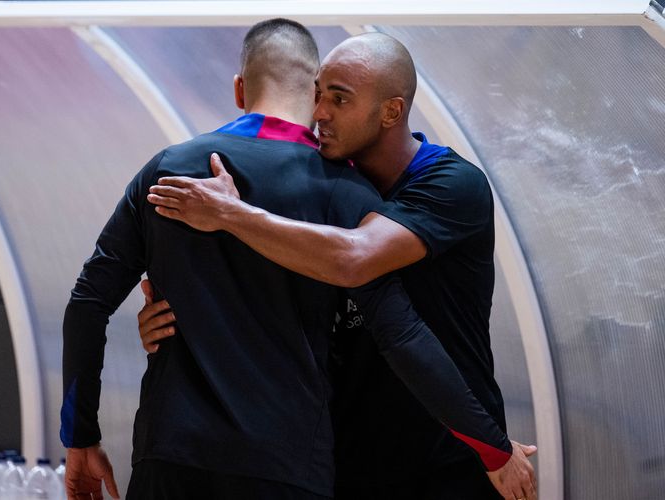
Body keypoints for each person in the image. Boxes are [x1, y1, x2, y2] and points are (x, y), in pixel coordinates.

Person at [145, 32, 537, 500]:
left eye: (339, 98)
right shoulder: (321, 187)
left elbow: (353, 258)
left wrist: (230, 213)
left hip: (449, 459)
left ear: (391, 111)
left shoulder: (452, 184)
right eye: (317, 94)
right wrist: (171, 320)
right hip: (348, 462)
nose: (318, 112)